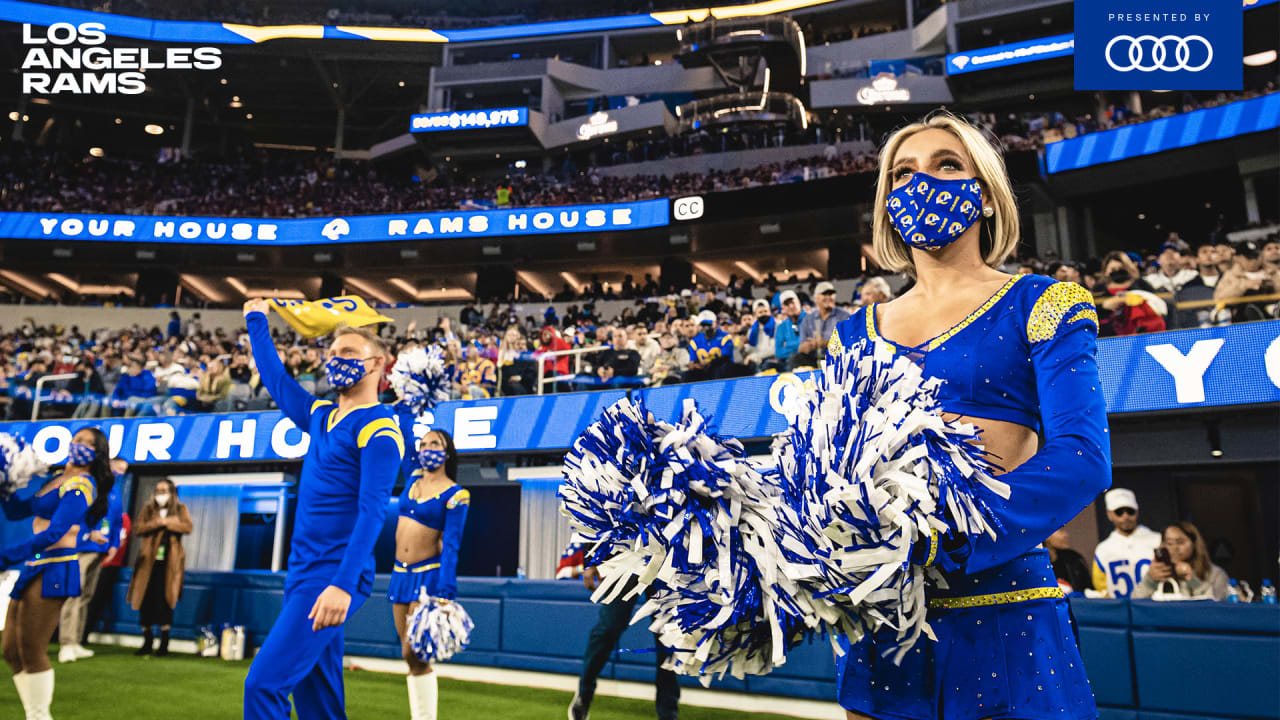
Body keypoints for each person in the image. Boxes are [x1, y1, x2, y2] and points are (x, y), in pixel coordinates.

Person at [828, 111, 1110, 720]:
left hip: (1007, 612)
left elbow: (1083, 459)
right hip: (888, 630)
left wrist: (943, 540)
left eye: (946, 165)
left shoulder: (1041, 302)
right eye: (902, 173)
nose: (921, 183)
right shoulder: (853, 333)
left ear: (984, 194)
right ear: (886, 203)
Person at [241, 298, 404, 720]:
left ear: (377, 364)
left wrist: (343, 585)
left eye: (348, 353)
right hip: (302, 572)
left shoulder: (380, 429)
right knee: (318, 699)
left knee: (263, 686)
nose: (336, 361)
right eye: (332, 354)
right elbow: (276, 379)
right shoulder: (320, 415)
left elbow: (372, 512)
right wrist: (257, 319)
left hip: (330, 576)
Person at [2, 427, 115, 720]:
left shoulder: (82, 485)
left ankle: (39, 716)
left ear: (96, 454)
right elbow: (17, 512)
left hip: (56, 566)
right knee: (10, 649)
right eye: (76, 439)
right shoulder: (56, 479)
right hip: (34, 565)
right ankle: (34, 713)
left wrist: (7, 555)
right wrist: (5, 488)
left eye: (86, 444)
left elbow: (55, 532)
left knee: (32, 648)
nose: (78, 445)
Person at [388, 428, 469, 720]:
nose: (427, 448)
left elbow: (451, 545)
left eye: (435, 443)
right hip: (400, 573)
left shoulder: (457, 495)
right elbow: (405, 438)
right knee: (407, 655)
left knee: (414, 651)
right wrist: (408, 406)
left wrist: (445, 589)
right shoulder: (412, 477)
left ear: (447, 452)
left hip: (428, 577)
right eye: (424, 444)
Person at [569, 556, 679, 720]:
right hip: (628, 554)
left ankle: (668, 712)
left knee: (668, 637)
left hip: (667, 561)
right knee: (608, 628)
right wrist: (591, 562)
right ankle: (583, 695)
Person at [55, 462, 123, 663]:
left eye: (123, 471)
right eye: (117, 469)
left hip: (100, 551)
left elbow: (117, 521)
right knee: (73, 595)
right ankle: (66, 643)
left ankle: (76, 641)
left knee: (86, 596)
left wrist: (114, 545)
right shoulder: (88, 486)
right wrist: (86, 535)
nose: (119, 473)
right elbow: (74, 516)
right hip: (81, 548)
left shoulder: (116, 492)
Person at [126, 479, 193, 656]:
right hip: (148, 562)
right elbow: (138, 528)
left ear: (172, 492)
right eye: (158, 490)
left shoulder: (180, 509)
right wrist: (159, 523)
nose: (161, 494)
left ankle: (164, 642)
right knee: (144, 599)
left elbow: (187, 526)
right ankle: (147, 640)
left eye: (164, 490)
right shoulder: (148, 509)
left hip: (170, 564)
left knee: (166, 600)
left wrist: (168, 523)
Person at [1092, 488, 1162, 598]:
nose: (1125, 516)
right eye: (1119, 512)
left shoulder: (1157, 540)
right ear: (1109, 514)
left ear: (1137, 511)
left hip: (1153, 607)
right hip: (1121, 611)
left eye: (1130, 511)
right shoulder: (1103, 549)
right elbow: (1101, 587)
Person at [1133, 522, 1230, 601]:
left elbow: (1218, 603)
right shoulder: (1159, 571)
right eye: (1169, 543)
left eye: (1180, 542)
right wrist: (1150, 580)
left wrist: (1192, 579)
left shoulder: (1215, 573)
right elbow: (1135, 602)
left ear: (1194, 543)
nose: (1174, 548)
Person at [795, 281, 850, 367]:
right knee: (796, 358)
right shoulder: (808, 319)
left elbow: (849, 344)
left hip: (837, 358)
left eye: (831, 294)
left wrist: (824, 343)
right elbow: (801, 348)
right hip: (814, 358)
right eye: (825, 294)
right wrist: (812, 345)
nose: (829, 297)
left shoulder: (844, 316)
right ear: (815, 298)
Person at [684, 310, 734, 382]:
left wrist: (709, 363)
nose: (706, 328)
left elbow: (726, 357)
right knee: (687, 375)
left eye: (708, 324)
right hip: (703, 370)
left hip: (720, 368)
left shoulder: (725, 337)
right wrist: (694, 365)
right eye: (703, 325)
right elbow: (694, 361)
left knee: (719, 369)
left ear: (715, 323)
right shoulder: (695, 341)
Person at [1045, 528, 1092, 594]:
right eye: (1060, 531)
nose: (1066, 535)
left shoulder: (1074, 559)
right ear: (1046, 536)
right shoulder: (1037, 565)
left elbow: (1089, 590)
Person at [773, 290, 806, 371]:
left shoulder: (810, 319)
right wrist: (797, 348)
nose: (791, 306)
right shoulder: (781, 326)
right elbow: (778, 351)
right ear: (783, 308)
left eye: (792, 302)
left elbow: (810, 344)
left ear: (799, 303)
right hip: (788, 360)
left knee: (795, 360)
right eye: (787, 304)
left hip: (808, 358)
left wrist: (788, 345)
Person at [742, 299, 777, 369]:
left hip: (773, 358)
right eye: (760, 312)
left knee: (766, 364)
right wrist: (743, 347)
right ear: (755, 315)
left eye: (765, 311)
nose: (764, 314)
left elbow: (774, 350)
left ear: (770, 312)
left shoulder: (777, 325)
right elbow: (752, 349)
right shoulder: (752, 330)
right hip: (757, 360)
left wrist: (752, 356)